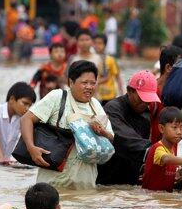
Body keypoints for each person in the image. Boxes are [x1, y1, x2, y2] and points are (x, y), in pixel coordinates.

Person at [21, 60, 113, 190]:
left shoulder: (96, 105)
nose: (89, 87)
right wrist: (31, 148)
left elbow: (111, 138)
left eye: (93, 83)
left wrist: (101, 132)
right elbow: (26, 119)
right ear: (71, 82)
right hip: (53, 177)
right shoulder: (57, 97)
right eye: (84, 83)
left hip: (85, 178)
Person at [97, 70, 161, 186]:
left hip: (131, 180)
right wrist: (157, 151)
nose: (144, 103)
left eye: (148, 100)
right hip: (107, 179)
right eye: (141, 99)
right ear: (129, 91)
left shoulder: (146, 113)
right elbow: (126, 139)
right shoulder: (113, 109)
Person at [142, 107, 182, 192]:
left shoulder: (172, 150)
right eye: (174, 127)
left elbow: (166, 174)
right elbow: (166, 159)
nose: (179, 132)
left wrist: (178, 175)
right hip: (151, 199)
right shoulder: (158, 148)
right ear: (161, 128)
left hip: (163, 198)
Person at [0, 82, 36, 165]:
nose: (27, 108)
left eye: (29, 105)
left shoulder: (22, 119)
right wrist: (1, 160)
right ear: (12, 99)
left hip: (6, 164)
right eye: (25, 103)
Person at [93, 32, 124, 105]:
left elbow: (118, 77)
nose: (97, 46)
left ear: (105, 45)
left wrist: (122, 93)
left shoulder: (110, 60)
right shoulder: (91, 59)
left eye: (100, 43)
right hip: (96, 95)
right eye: (95, 43)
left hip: (109, 95)